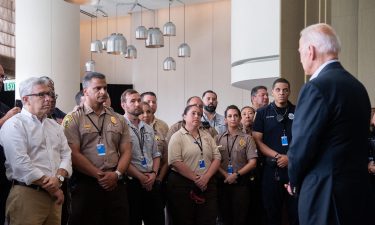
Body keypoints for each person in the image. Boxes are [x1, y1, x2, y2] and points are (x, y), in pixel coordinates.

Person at [287, 23, 373, 225]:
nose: (300, 58)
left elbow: (301, 146)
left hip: (324, 196)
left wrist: (294, 181)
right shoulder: (358, 87)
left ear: (311, 50)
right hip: (358, 193)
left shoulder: (316, 87)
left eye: (300, 51)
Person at [0, 77, 72, 225]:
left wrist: (58, 179)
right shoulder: (14, 125)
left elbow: (66, 155)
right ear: (26, 99)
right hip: (28, 194)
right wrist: (54, 188)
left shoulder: (55, 126)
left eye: (50, 95)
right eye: (42, 95)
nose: (49, 99)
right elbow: (21, 163)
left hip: (55, 195)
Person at [62, 72, 132, 225]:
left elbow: (126, 150)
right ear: (85, 91)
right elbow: (73, 153)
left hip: (115, 182)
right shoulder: (73, 118)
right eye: (98, 88)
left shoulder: (118, 118)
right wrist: (99, 175)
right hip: (87, 184)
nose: (103, 92)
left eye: (105, 88)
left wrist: (117, 174)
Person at [252, 78, 298, 225]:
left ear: (289, 92)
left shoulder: (298, 111)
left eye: (285, 90)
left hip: (294, 168)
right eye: (278, 90)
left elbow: (305, 139)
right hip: (271, 169)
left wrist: (289, 157)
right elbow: (257, 141)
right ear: (272, 92)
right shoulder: (262, 113)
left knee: (295, 212)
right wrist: (278, 156)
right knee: (272, 212)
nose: (282, 93)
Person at [167, 104, 221, 225]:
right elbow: (175, 161)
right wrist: (197, 179)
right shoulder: (177, 137)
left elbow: (217, 157)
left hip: (207, 184)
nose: (197, 116)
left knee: (207, 219)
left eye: (199, 114)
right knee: (184, 219)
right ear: (184, 116)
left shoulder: (206, 135)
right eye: (193, 113)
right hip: (183, 185)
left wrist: (205, 178)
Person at [121, 89, 164, 225]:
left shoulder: (148, 128)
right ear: (123, 105)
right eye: (132, 101)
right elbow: (120, 158)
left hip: (151, 180)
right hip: (132, 183)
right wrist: (142, 177)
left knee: (157, 220)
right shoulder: (119, 126)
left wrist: (153, 174)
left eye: (139, 100)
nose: (137, 104)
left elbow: (156, 154)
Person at [215, 105, 257, 225]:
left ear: (239, 119)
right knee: (223, 218)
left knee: (241, 218)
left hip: (241, 184)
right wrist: (226, 175)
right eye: (229, 116)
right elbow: (213, 161)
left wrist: (235, 175)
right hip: (222, 183)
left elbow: (253, 163)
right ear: (225, 120)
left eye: (235, 116)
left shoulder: (248, 138)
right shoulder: (217, 138)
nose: (233, 118)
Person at [0, 64, 21, 225]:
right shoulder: (6, 112)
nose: (1, 80)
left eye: (2, 76)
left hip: (5, 175)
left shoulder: (3, 106)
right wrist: (6, 119)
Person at [139, 102, 169, 191]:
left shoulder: (156, 130)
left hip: (157, 176)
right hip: (137, 176)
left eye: (149, 112)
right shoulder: (129, 131)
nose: (146, 115)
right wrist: (141, 177)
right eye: (142, 112)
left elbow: (165, 158)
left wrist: (158, 178)